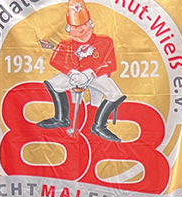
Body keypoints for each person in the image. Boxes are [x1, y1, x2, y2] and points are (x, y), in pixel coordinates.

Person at [37, 0, 127, 141]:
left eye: (84, 24)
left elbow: (110, 63)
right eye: (75, 26)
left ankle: (98, 126)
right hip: (74, 76)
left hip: (96, 76)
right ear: (69, 29)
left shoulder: (105, 42)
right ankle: (61, 118)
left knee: (116, 94)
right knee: (53, 83)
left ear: (90, 24)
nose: (80, 29)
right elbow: (55, 60)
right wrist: (72, 72)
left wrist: (90, 73)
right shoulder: (65, 44)